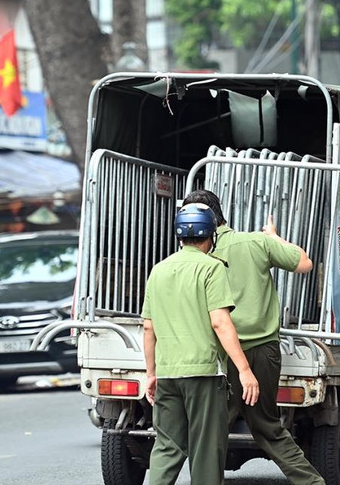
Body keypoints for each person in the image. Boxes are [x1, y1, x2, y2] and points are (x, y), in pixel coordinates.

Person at [182, 189, 325, 485]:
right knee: (267, 428)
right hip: (263, 351)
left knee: (211, 430)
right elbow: (304, 263)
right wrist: (273, 236)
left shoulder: (195, 255)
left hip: (219, 355)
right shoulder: (255, 242)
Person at [142, 203, 260, 484]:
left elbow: (148, 327)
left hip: (168, 374)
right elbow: (220, 322)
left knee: (167, 448)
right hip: (204, 375)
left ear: (178, 235)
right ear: (212, 235)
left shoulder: (158, 270)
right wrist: (244, 370)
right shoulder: (212, 268)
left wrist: (151, 373)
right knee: (206, 450)